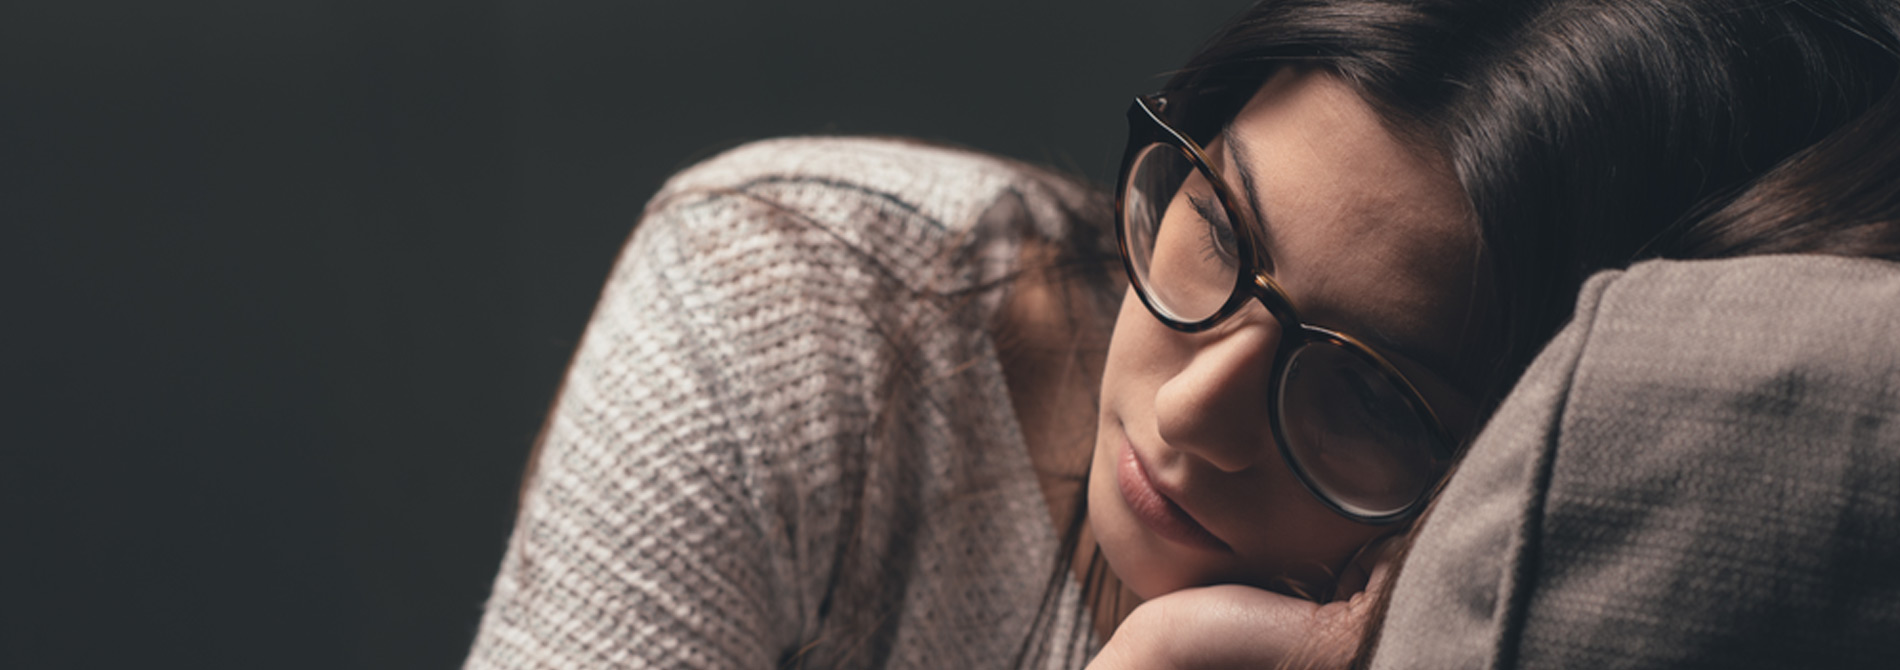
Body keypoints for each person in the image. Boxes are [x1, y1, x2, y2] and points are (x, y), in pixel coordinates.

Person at [464, 1, 1900, 668]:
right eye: (1218, 219)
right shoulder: (803, 299)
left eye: (1366, 392)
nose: (1194, 405)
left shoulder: (1546, 600)